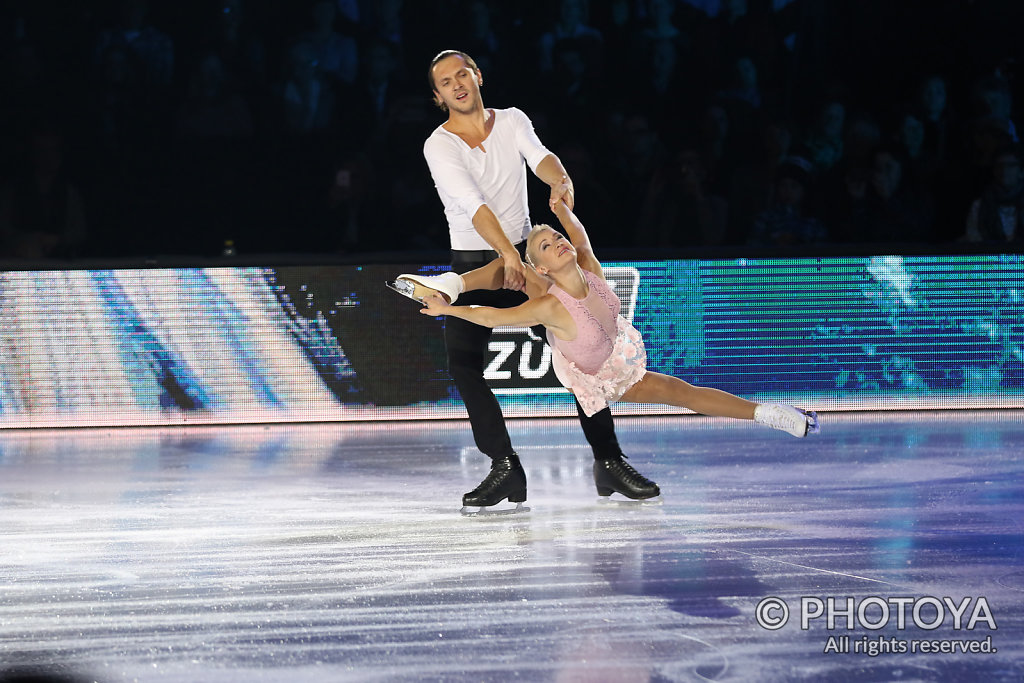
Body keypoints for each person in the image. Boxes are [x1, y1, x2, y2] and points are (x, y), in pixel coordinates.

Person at [416, 49, 659, 510]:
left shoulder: (511, 120)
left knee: (581, 352)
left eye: (462, 74)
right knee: (464, 364)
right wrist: (506, 254)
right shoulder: (438, 145)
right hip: (476, 256)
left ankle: (609, 462)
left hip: (528, 255)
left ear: (478, 75)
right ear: (439, 95)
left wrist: (559, 178)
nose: (457, 84)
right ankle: (504, 467)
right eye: (446, 82)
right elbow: (474, 205)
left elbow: (540, 156)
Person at [411, 201, 819, 463]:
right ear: (543, 264)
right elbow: (490, 318)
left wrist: (563, 211)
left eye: (556, 238)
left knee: (684, 393)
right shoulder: (547, 303)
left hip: (619, 352)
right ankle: (463, 276)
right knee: (517, 278)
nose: (558, 242)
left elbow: (580, 236)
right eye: (548, 246)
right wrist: (450, 310)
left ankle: (769, 413)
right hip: (596, 372)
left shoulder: (590, 267)